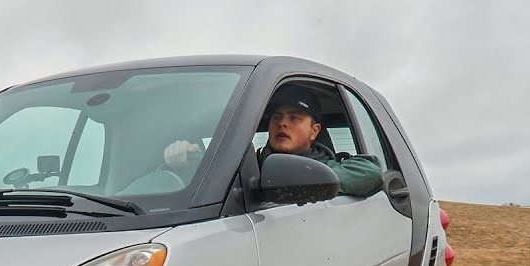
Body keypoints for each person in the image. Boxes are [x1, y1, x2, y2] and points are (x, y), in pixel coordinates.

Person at [161, 84, 384, 198]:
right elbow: (215, 175)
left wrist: (311, 177)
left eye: (294, 118)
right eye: (277, 117)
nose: (282, 123)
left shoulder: (330, 169)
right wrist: (183, 160)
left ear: (314, 131)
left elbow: (372, 171)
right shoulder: (246, 168)